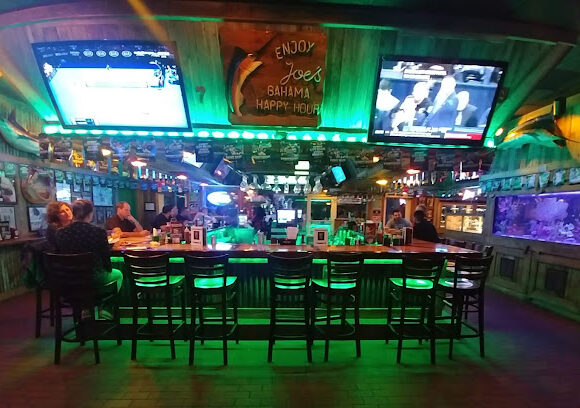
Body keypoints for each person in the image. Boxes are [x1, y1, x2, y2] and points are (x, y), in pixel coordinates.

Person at [55, 199, 123, 295]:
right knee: (118, 274)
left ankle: (84, 302)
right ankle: (103, 302)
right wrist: (108, 270)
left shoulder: (60, 233)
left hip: (69, 278)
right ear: (90, 214)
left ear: (73, 213)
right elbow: (106, 261)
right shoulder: (98, 232)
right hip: (94, 277)